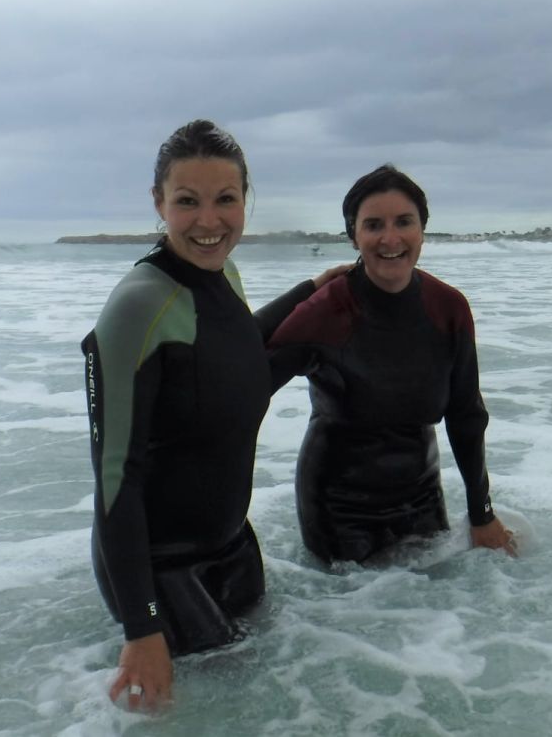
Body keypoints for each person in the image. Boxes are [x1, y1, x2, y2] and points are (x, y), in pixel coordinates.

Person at [81, 120, 347, 712]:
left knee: (270, 700)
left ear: (244, 200)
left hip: (232, 545)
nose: (209, 221)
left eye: (226, 200)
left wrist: (310, 290)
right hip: (160, 570)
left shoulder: (224, 274)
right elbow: (113, 477)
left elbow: (232, 360)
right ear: (159, 204)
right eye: (187, 202)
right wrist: (140, 629)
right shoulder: (136, 307)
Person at [266, 164, 517, 565]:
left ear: (422, 231)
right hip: (338, 506)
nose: (390, 238)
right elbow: (243, 374)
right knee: (352, 619)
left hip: (421, 495)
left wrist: (481, 513)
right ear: (354, 236)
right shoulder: (327, 309)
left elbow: (466, 415)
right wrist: (305, 290)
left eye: (404, 222)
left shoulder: (448, 308)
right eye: (373, 225)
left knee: (445, 615)